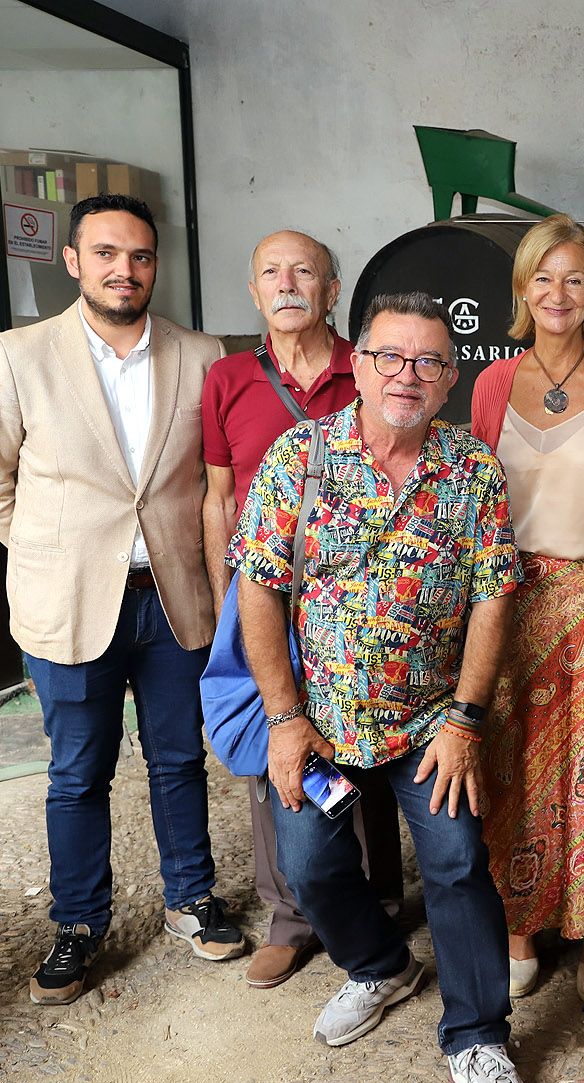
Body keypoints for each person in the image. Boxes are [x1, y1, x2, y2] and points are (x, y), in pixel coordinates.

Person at [230, 292, 537, 1083]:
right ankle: (379, 965)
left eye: (429, 362)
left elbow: (491, 598)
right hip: (322, 721)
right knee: (312, 865)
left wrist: (467, 718)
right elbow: (259, 584)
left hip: (430, 719)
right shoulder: (299, 459)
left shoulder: (472, 470)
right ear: (358, 363)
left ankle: (476, 1037)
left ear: (449, 380)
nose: (408, 375)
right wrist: (284, 718)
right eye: (391, 358)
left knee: (456, 860)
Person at [0, 193, 242, 1005]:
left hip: (172, 598)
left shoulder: (201, 354)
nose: (126, 269)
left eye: (141, 256)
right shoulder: (16, 355)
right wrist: (54, 549)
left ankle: (191, 900)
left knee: (180, 759)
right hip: (68, 601)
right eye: (107, 253)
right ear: (73, 261)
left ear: (156, 266)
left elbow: (206, 479)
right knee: (78, 772)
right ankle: (79, 923)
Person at [200, 229, 403, 990]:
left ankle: (378, 897)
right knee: (277, 747)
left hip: (362, 595)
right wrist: (232, 604)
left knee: (372, 744)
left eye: (304, 271)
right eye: (270, 273)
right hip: (266, 595)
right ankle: (289, 916)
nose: (287, 284)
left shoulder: (374, 367)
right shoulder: (228, 378)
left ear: (330, 288)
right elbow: (220, 496)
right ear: (253, 292)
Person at [469, 214, 584, 1002]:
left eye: (575, 279)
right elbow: (471, 499)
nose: (558, 293)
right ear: (522, 289)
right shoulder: (490, 386)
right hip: (503, 604)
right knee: (504, 768)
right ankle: (517, 924)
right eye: (543, 277)